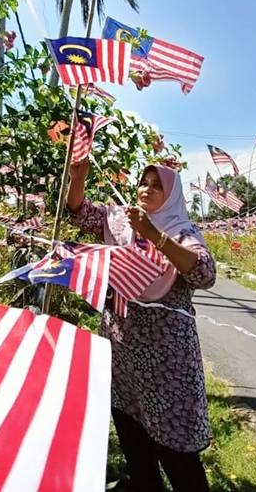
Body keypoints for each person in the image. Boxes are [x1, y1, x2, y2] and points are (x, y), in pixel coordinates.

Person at [66, 159, 215, 492]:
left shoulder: (181, 231)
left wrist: (153, 235)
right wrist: (78, 179)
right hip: (122, 350)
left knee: (176, 447)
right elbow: (80, 213)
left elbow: (204, 273)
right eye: (143, 182)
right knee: (132, 432)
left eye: (156, 184)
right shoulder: (120, 220)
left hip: (166, 363)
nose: (147, 189)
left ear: (172, 194)